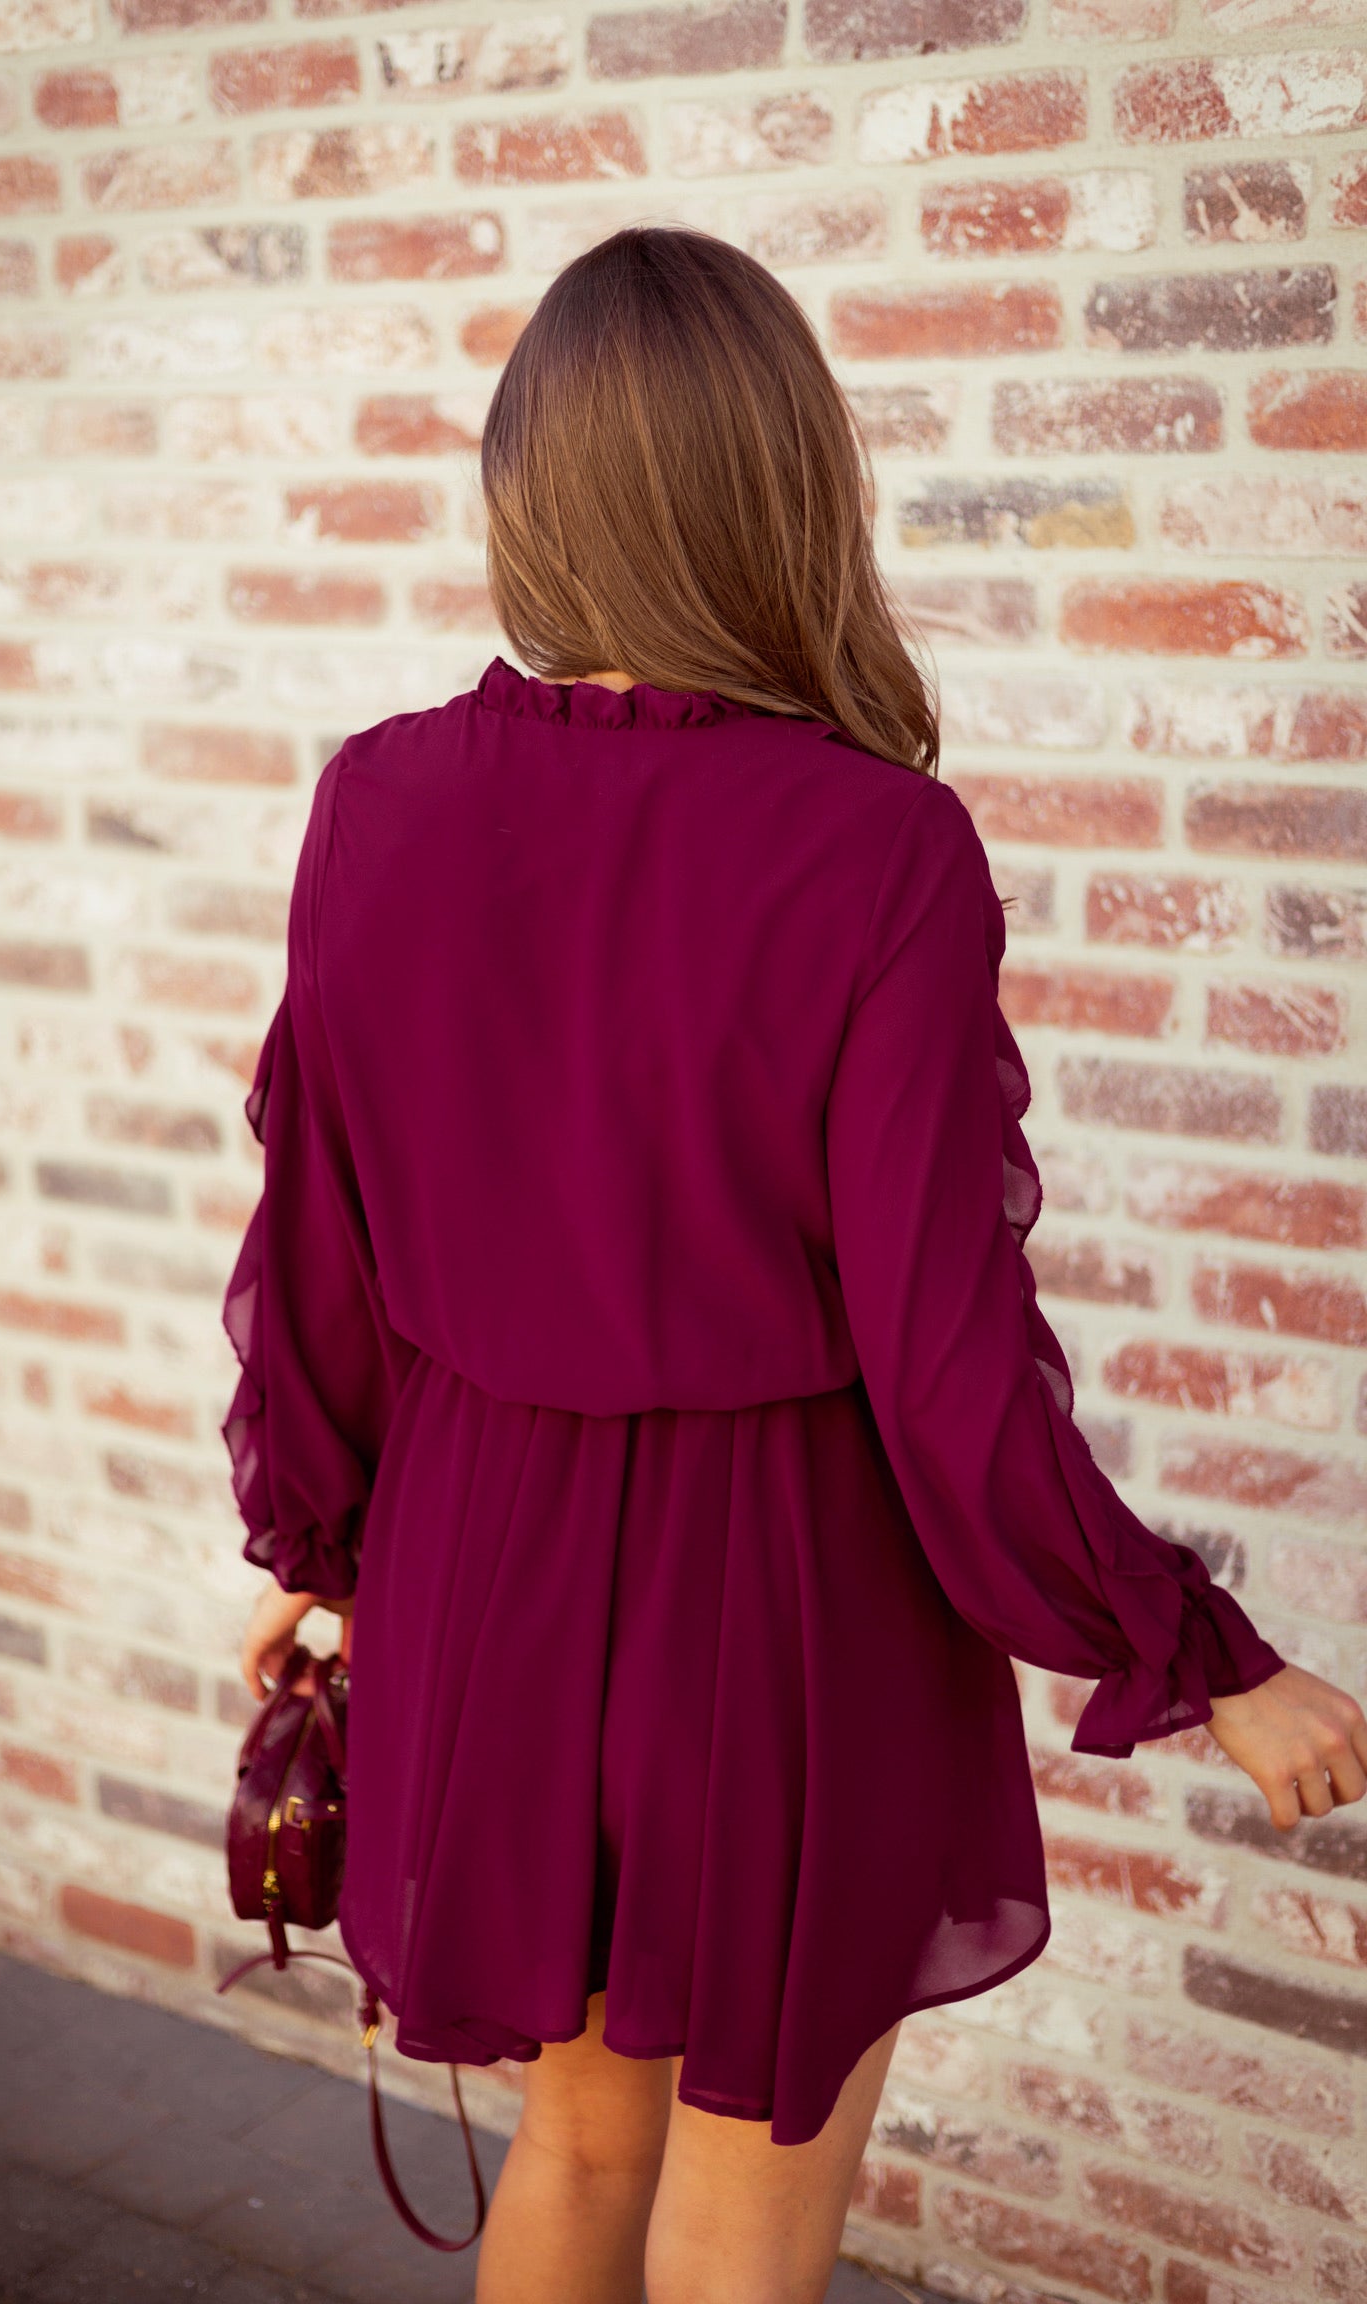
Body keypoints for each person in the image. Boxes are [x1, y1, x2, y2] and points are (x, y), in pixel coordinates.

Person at [224, 228, 1367, 2304]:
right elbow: (953, 1365)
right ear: (789, 492)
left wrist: (325, 1544)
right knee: (748, 2204)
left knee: (576, 2148)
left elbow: (315, 1235)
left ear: (526, 490)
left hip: (483, 1565)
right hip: (778, 1603)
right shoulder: (879, 845)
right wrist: (1201, 1652)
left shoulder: (375, 803)